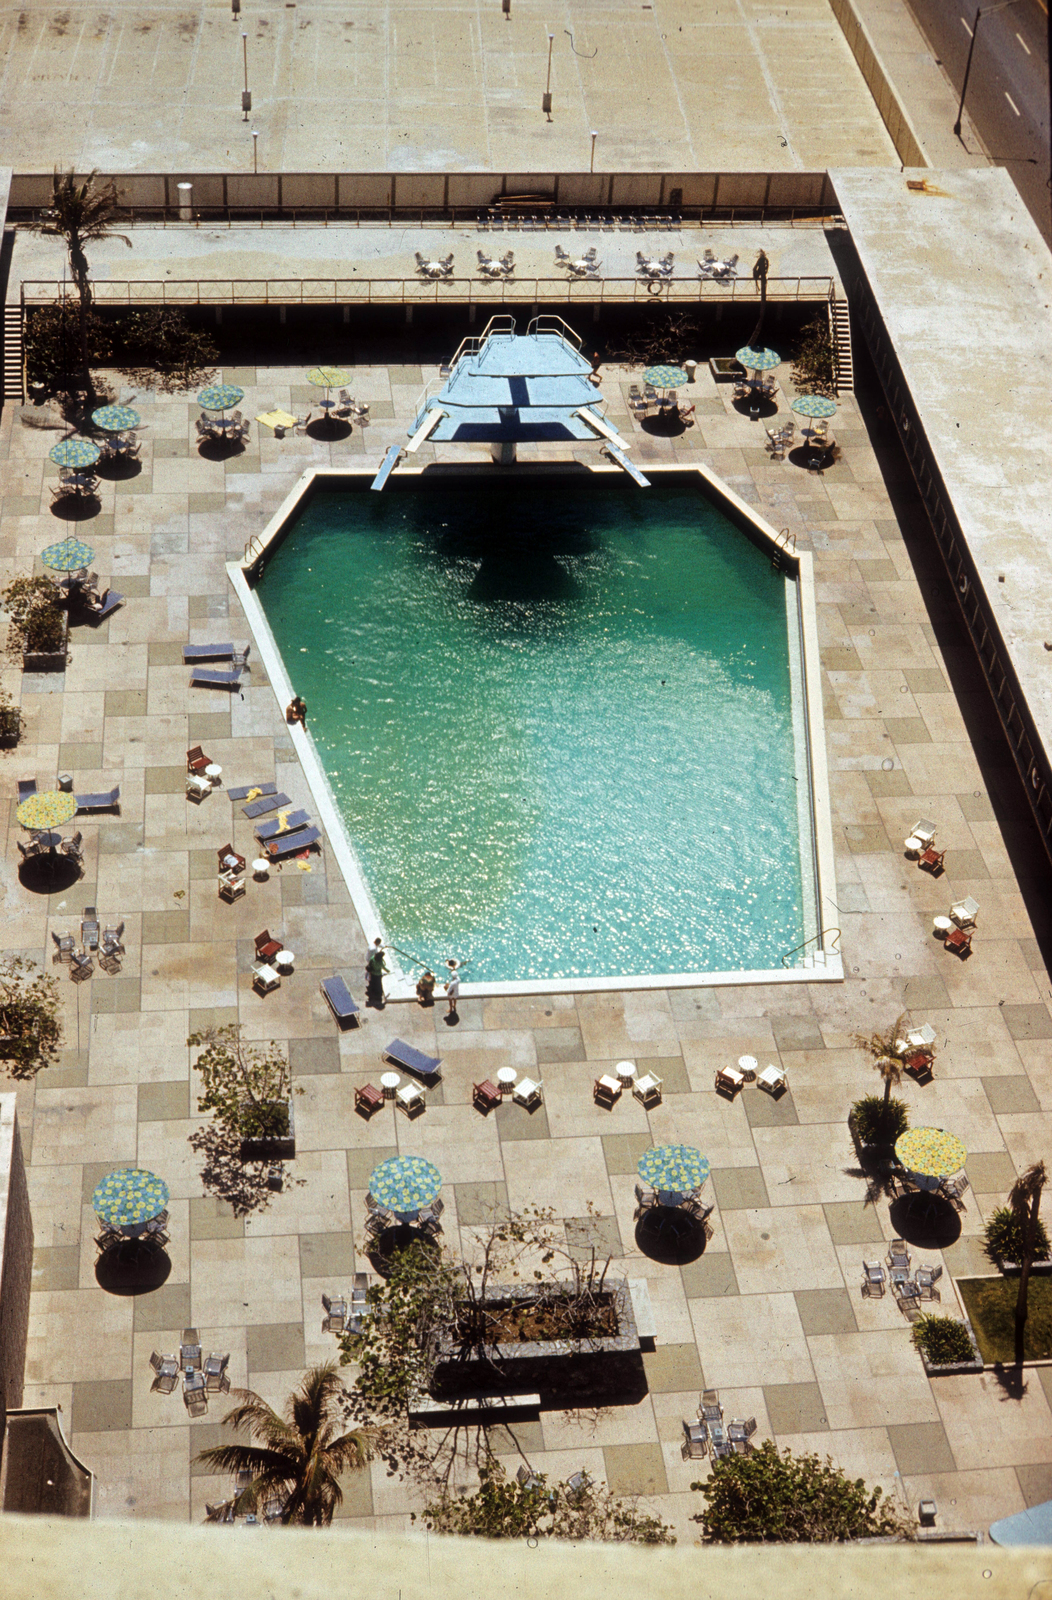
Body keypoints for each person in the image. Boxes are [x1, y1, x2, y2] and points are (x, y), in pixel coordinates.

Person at [365, 938, 388, 1009]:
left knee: (372, 979)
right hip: (375, 971)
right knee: (376, 982)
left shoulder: (373, 946)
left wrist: (384, 946)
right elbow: (382, 966)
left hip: (372, 967)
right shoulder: (373, 950)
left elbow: (378, 945)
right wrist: (388, 971)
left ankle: (370, 985)